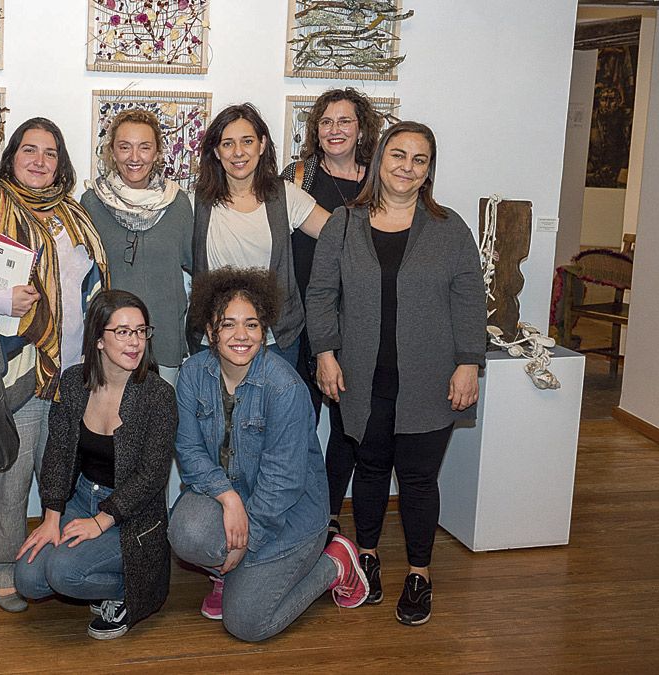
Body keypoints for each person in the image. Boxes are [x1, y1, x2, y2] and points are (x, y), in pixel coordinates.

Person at [306, 121, 485, 626]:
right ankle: (366, 558)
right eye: (398, 155)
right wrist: (324, 353)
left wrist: (469, 362)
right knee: (368, 470)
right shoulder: (343, 223)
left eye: (420, 159)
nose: (407, 167)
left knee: (419, 479)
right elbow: (321, 294)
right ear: (380, 159)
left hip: (430, 379)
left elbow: (469, 297)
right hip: (361, 377)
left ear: (429, 170)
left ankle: (420, 573)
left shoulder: (449, 229)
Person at [0, 117, 109, 612]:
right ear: (12, 156)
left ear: (62, 162)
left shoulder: (75, 216)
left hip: (75, 371)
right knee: (11, 476)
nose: (39, 161)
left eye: (50, 152)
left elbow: (94, 287)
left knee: (65, 476)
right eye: (29, 150)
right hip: (17, 371)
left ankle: (63, 562)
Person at [166, 267, 368, 642]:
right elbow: (189, 450)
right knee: (185, 530)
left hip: (290, 516)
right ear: (211, 331)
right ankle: (228, 574)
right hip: (235, 500)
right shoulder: (192, 374)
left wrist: (247, 543)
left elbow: (283, 483)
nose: (241, 335)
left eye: (252, 325)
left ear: (264, 331)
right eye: (228, 324)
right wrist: (228, 498)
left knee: (247, 624)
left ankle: (336, 563)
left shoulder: (284, 387)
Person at [14, 289, 176, 640]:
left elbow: (152, 477)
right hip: (82, 497)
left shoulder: (158, 395)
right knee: (27, 579)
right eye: (122, 332)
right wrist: (52, 518)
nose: (135, 342)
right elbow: (57, 452)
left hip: (131, 513)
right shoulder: (73, 382)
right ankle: (99, 577)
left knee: (63, 573)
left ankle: (128, 592)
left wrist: (100, 523)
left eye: (140, 331)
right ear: (98, 340)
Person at [280, 88, 384, 537]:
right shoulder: (299, 176)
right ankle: (301, 517)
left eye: (344, 121)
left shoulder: (381, 180)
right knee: (301, 424)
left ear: (361, 127)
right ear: (315, 130)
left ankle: (329, 515)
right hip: (303, 319)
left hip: (361, 320)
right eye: (326, 122)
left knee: (348, 425)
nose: (335, 130)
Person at [189, 103, 330, 374]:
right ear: (216, 152)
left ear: (262, 145)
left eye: (247, 141)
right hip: (214, 341)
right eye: (227, 144)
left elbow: (340, 235)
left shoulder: (286, 196)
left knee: (276, 416)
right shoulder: (196, 202)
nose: (238, 152)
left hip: (276, 341)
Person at [80, 109, 193, 383]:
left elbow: (193, 270)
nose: (134, 157)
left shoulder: (179, 204)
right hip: (110, 341)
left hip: (164, 341)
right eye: (124, 147)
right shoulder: (91, 203)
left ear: (156, 153)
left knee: (160, 424)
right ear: (112, 152)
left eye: (144, 147)